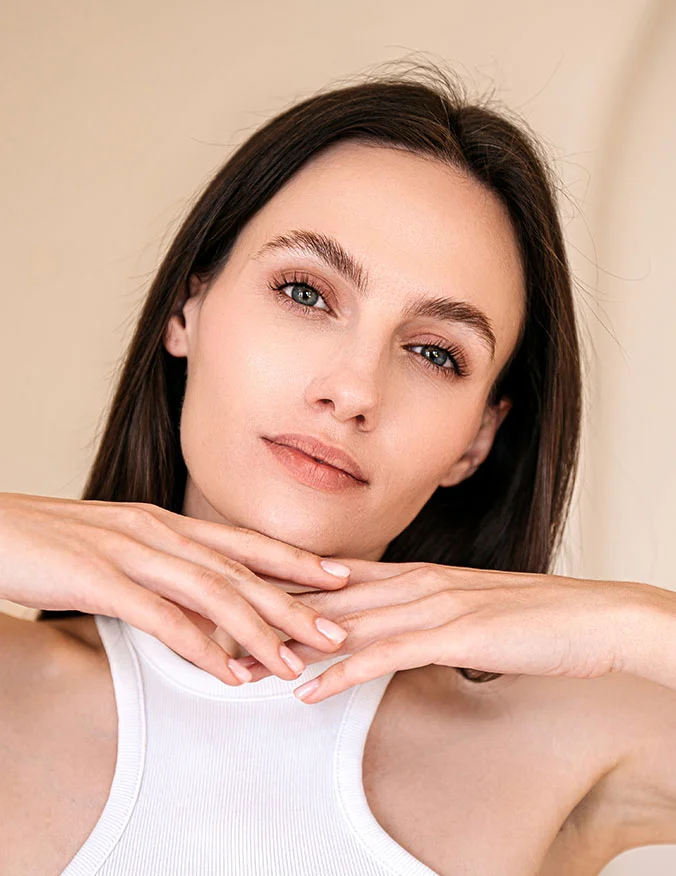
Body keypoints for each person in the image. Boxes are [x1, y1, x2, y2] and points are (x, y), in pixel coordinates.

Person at [2, 61, 676, 876]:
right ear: (189, 307)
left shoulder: (559, 745)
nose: (354, 390)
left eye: (434, 352)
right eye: (305, 293)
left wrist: (639, 624)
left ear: (477, 440)